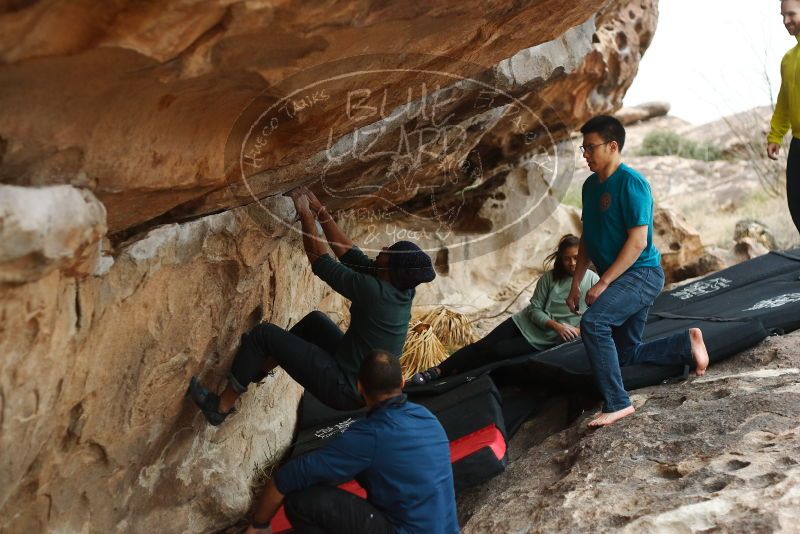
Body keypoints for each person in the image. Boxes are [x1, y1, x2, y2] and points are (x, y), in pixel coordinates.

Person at [188, 187, 436, 425]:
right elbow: (349, 254)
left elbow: (321, 262)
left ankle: (220, 407)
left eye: (387, 253)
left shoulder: (376, 292)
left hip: (345, 388)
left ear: (389, 269)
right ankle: (257, 369)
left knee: (264, 334)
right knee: (316, 322)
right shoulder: (400, 287)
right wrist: (320, 211)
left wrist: (306, 216)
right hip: (356, 372)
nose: (381, 250)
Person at [566, 115, 710, 427]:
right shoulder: (590, 187)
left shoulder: (632, 184)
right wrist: (576, 283)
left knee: (594, 323)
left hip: (642, 274)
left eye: (590, 148)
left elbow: (637, 241)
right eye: (583, 148)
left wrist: (603, 282)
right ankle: (687, 343)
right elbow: (587, 237)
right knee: (625, 353)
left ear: (612, 146)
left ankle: (618, 403)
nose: (585, 154)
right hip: (622, 277)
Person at [243, 350, 459, 534]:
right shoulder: (426, 416)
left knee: (300, 502)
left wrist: (258, 525)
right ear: (402, 383)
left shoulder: (371, 434)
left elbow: (287, 478)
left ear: (359, 387)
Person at [411, 234, 600, 385]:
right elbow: (534, 310)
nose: (572, 263)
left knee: (497, 352)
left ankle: (457, 375)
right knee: (482, 345)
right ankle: (437, 371)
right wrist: (557, 326)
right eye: (567, 259)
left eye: (576, 258)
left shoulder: (592, 281)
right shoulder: (549, 278)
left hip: (541, 339)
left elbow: (598, 316)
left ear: (584, 256)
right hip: (523, 322)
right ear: (560, 259)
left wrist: (576, 330)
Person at [767, 0, 800, 236]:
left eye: (791, 14)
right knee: (796, 203)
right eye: (783, 16)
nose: (786, 21)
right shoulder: (789, 59)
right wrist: (775, 135)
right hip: (798, 143)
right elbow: (784, 101)